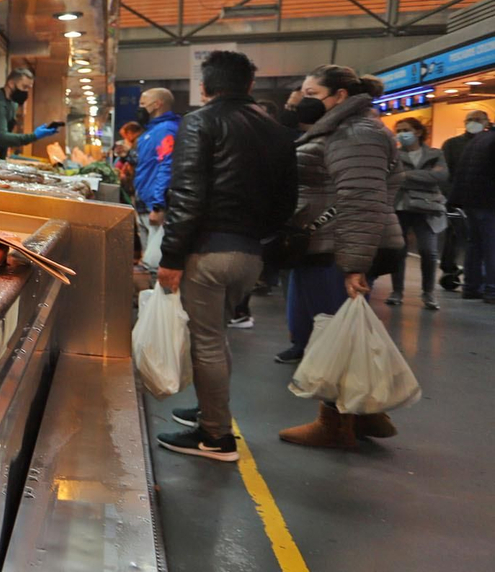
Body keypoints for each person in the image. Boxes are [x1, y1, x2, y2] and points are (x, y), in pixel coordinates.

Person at [155, 51, 297, 462]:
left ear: (205, 87)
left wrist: (172, 256)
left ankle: (215, 436)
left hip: (207, 253)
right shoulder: (276, 129)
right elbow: (287, 201)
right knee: (217, 336)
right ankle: (208, 411)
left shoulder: (201, 122)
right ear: (249, 85)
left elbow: (187, 194)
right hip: (250, 254)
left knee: (208, 343)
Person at [279, 65, 404, 449]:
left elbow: (361, 200)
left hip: (335, 248)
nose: (303, 101)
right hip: (325, 244)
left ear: (340, 97)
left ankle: (334, 422)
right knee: (326, 331)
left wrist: (354, 266)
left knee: (333, 336)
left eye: (312, 93)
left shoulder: (356, 133)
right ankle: (365, 414)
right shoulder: (343, 129)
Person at [385, 117, 448, 310]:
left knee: (429, 251)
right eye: (399, 130)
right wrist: (422, 177)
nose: (402, 134)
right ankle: (396, 291)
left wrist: (405, 176)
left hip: (427, 208)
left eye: (406, 129)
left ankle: (429, 292)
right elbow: (391, 177)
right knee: (398, 251)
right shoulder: (393, 154)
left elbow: (439, 176)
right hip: (399, 207)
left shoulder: (435, 154)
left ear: (418, 132)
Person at [0, 68, 62, 159]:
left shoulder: (13, 103)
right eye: (24, 87)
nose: (26, 92)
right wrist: (33, 136)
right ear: (11, 83)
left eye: (28, 88)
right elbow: (0, 137)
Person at [439, 109, 489, 290]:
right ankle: (450, 268)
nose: (473, 123)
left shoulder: (485, 143)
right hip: (460, 199)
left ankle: (475, 278)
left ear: (486, 122)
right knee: (456, 236)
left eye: (478, 119)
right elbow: (446, 173)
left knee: (475, 239)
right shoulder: (453, 145)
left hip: (477, 199)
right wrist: (449, 197)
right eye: (470, 119)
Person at [132, 87, 181, 272]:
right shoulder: (152, 131)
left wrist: (159, 205)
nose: (140, 108)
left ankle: (157, 299)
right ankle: (149, 299)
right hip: (146, 202)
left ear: (157, 104)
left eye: (143, 104)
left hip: (155, 205)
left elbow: (167, 166)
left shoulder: (166, 130)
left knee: (154, 263)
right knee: (148, 260)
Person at [451, 120, 495, 304]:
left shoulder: (478, 139)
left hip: (471, 201)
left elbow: (461, 171)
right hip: (490, 201)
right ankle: (492, 290)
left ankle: (471, 286)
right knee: (491, 245)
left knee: (475, 245)